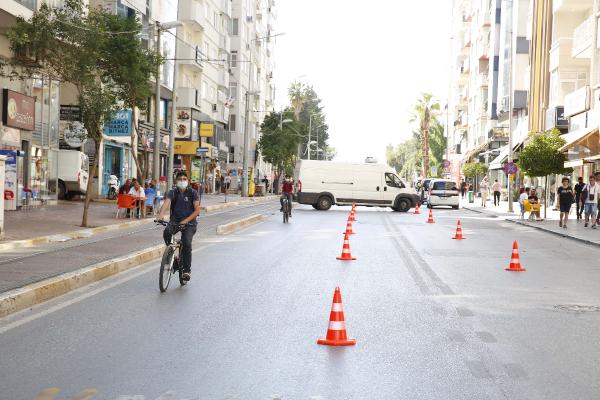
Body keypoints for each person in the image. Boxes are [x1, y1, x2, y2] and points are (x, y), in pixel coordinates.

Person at [157, 171, 201, 281]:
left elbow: (197, 211)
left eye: (184, 179)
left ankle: (186, 270)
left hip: (190, 223)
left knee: (186, 243)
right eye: (180, 179)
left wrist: (185, 221)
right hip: (175, 221)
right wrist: (161, 215)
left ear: (188, 180)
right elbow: (166, 204)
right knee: (167, 232)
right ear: (176, 181)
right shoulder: (173, 192)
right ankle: (172, 255)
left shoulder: (193, 193)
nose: (182, 181)